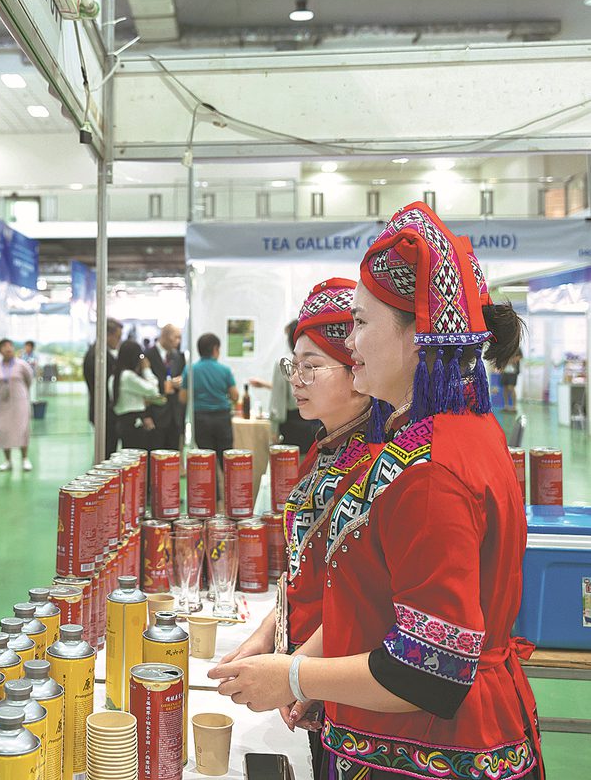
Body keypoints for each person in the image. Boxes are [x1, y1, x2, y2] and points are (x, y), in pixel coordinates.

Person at [209, 202, 543, 780]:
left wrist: (292, 676)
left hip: (432, 752)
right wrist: (297, 659)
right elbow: (377, 604)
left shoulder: (432, 469)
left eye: (361, 323)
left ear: (420, 334)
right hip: (394, 736)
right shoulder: (439, 437)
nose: (351, 339)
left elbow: (430, 669)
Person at [217, 278, 373, 775]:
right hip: (313, 677)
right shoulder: (326, 449)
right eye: (294, 365)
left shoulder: (378, 464)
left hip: (349, 682)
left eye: (312, 366)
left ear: (358, 370)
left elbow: (367, 596)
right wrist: (268, 634)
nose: (296, 379)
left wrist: (297, 673)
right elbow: (309, 566)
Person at [251, 320, 320, 452]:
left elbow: (279, 399)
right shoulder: (317, 361)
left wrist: (274, 429)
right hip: (315, 422)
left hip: (292, 424)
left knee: (291, 466)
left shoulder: (284, 362)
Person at [190, 332, 239, 465]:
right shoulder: (224, 370)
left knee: (206, 460)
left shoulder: (190, 370)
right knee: (226, 458)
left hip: (200, 418)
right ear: (215, 349)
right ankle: (230, 485)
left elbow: (183, 398)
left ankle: (213, 486)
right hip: (222, 417)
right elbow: (235, 395)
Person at [112, 339, 166, 450]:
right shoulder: (128, 376)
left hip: (123, 421)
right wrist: (146, 369)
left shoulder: (115, 375)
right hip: (133, 423)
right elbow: (153, 389)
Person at [0, 338, 34, 472]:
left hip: (20, 403)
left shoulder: (22, 365)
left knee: (22, 429)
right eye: (4, 346)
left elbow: (29, 380)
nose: (8, 348)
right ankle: (7, 461)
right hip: (3, 404)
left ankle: (25, 459)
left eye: (10, 346)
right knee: (4, 431)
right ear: (0, 350)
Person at [83, 318, 123, 458]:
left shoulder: (100, 353)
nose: (119, 341)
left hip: (104, 411)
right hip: (104, 412)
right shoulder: (98, 357)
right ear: (108, 335)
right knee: (106, 453)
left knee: (107, 450)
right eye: (117, 337)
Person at [144, 324, 186, 451]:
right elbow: (144, 387)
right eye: (176, 337)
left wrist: (180, 381)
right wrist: (146, 415)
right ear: (165, 336)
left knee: (173, 458)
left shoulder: (178, 356)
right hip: (156, 415)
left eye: (180, 338)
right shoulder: (147, 355)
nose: (178, 341)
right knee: (155, 457)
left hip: (175, 416)